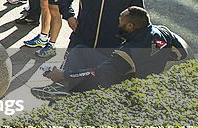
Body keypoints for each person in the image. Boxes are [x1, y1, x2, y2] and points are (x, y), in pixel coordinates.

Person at [33, 7, 188, 100]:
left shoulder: (127, 53)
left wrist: (65, 74)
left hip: (126, 83)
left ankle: (62, 86)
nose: (118, 24)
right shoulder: (162, 31)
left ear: (129, 25)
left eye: (120, 22)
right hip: (144, 75)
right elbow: (182, 53)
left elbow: (98, 74)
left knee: (80, 51)